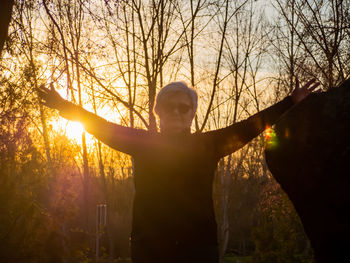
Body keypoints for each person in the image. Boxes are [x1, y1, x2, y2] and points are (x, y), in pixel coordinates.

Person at [37, 79, 320, 263]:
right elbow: (101, 127)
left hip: (198, 250)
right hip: (150, 249)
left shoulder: (208, 145)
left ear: (192, 114)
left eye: (183, 108)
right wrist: (64, 106)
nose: (176, 113)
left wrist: (289, 102)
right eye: (169, 108)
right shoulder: (143, 143)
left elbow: (249, 126)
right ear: (158, 112)